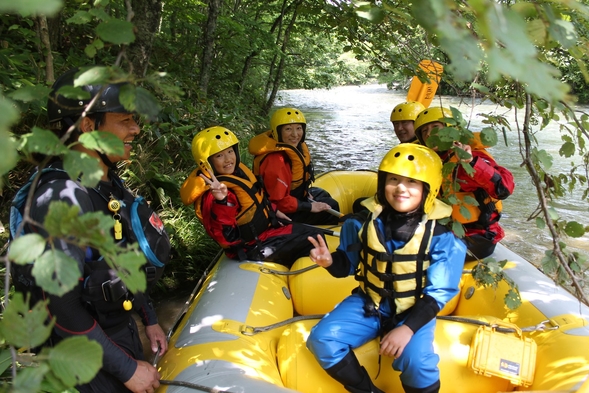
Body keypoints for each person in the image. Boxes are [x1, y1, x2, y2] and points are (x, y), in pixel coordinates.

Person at [9, 67, 169, 393]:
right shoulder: (61, 198)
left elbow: (123, 255)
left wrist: (149, 317)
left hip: (114, 330)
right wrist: (127, 370)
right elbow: (62, 307)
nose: (136, 129)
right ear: (88, 127)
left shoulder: (104, 182)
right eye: (125, 120)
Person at [306, 144, 466, 393]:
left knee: (416, 361)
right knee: (322, 339)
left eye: (412, 181)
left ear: (428, 188)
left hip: (414, 309)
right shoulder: (361, 223)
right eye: (394, 179)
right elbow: (346, 267)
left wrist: (407, 329)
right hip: (369, 302)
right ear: (382, 183)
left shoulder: (443, 237)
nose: (401, 188)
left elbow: (438, 294)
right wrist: (329, 263)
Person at [180, 126, 326, 267]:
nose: (228, 159)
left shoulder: (236, 173)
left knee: (314, 234)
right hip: (250, 246)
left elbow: (258, 199)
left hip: (263, 232)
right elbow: (226, 237)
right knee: (314, 239)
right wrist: (222, 201)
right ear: (206, 163)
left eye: (230, 152)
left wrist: (274, 211)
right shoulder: (214, 194)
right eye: (219, 156)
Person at [413, 106, 515, 259]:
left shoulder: (470, 155)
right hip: (447, 230)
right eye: (424, 131)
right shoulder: (433, 161)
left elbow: (504, 188)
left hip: (477, 238)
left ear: (450, 130)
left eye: (435, 127)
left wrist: (472, 162)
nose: (429, 134)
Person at [248, 107, 340, 225]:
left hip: (290, 198)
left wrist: (306, 194)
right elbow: (279, 202)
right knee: (332, 205)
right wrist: (309, 207)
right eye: (288, 129)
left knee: (322, 194)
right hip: (280, 213)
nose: (295, 134)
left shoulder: (293, 148)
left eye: (298, 128)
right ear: (277, 132)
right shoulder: (276, 161)